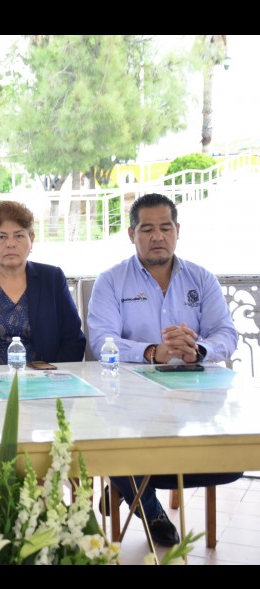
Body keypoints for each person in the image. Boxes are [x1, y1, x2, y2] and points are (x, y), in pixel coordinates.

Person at [86, 192, 241, 547]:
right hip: (128, 398)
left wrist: (197, 350)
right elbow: (102, 341)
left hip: (193, 397)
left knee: (231, 460)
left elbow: (226, 333)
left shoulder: (201, 279)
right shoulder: (111, 281)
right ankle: (150, 508)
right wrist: (153, 352)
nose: (158, 236)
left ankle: (124, 483)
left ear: (177, 231)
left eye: (165, 228)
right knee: (113, 444)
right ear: (132, 234)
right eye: (147, 229)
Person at [0, 201, 86, 365]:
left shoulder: (52, 278)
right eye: (1, 237)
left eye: (19, 236)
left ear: (31, 240)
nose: (10, 243)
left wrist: (51, 372)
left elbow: (73, 340)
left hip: (47, 376)